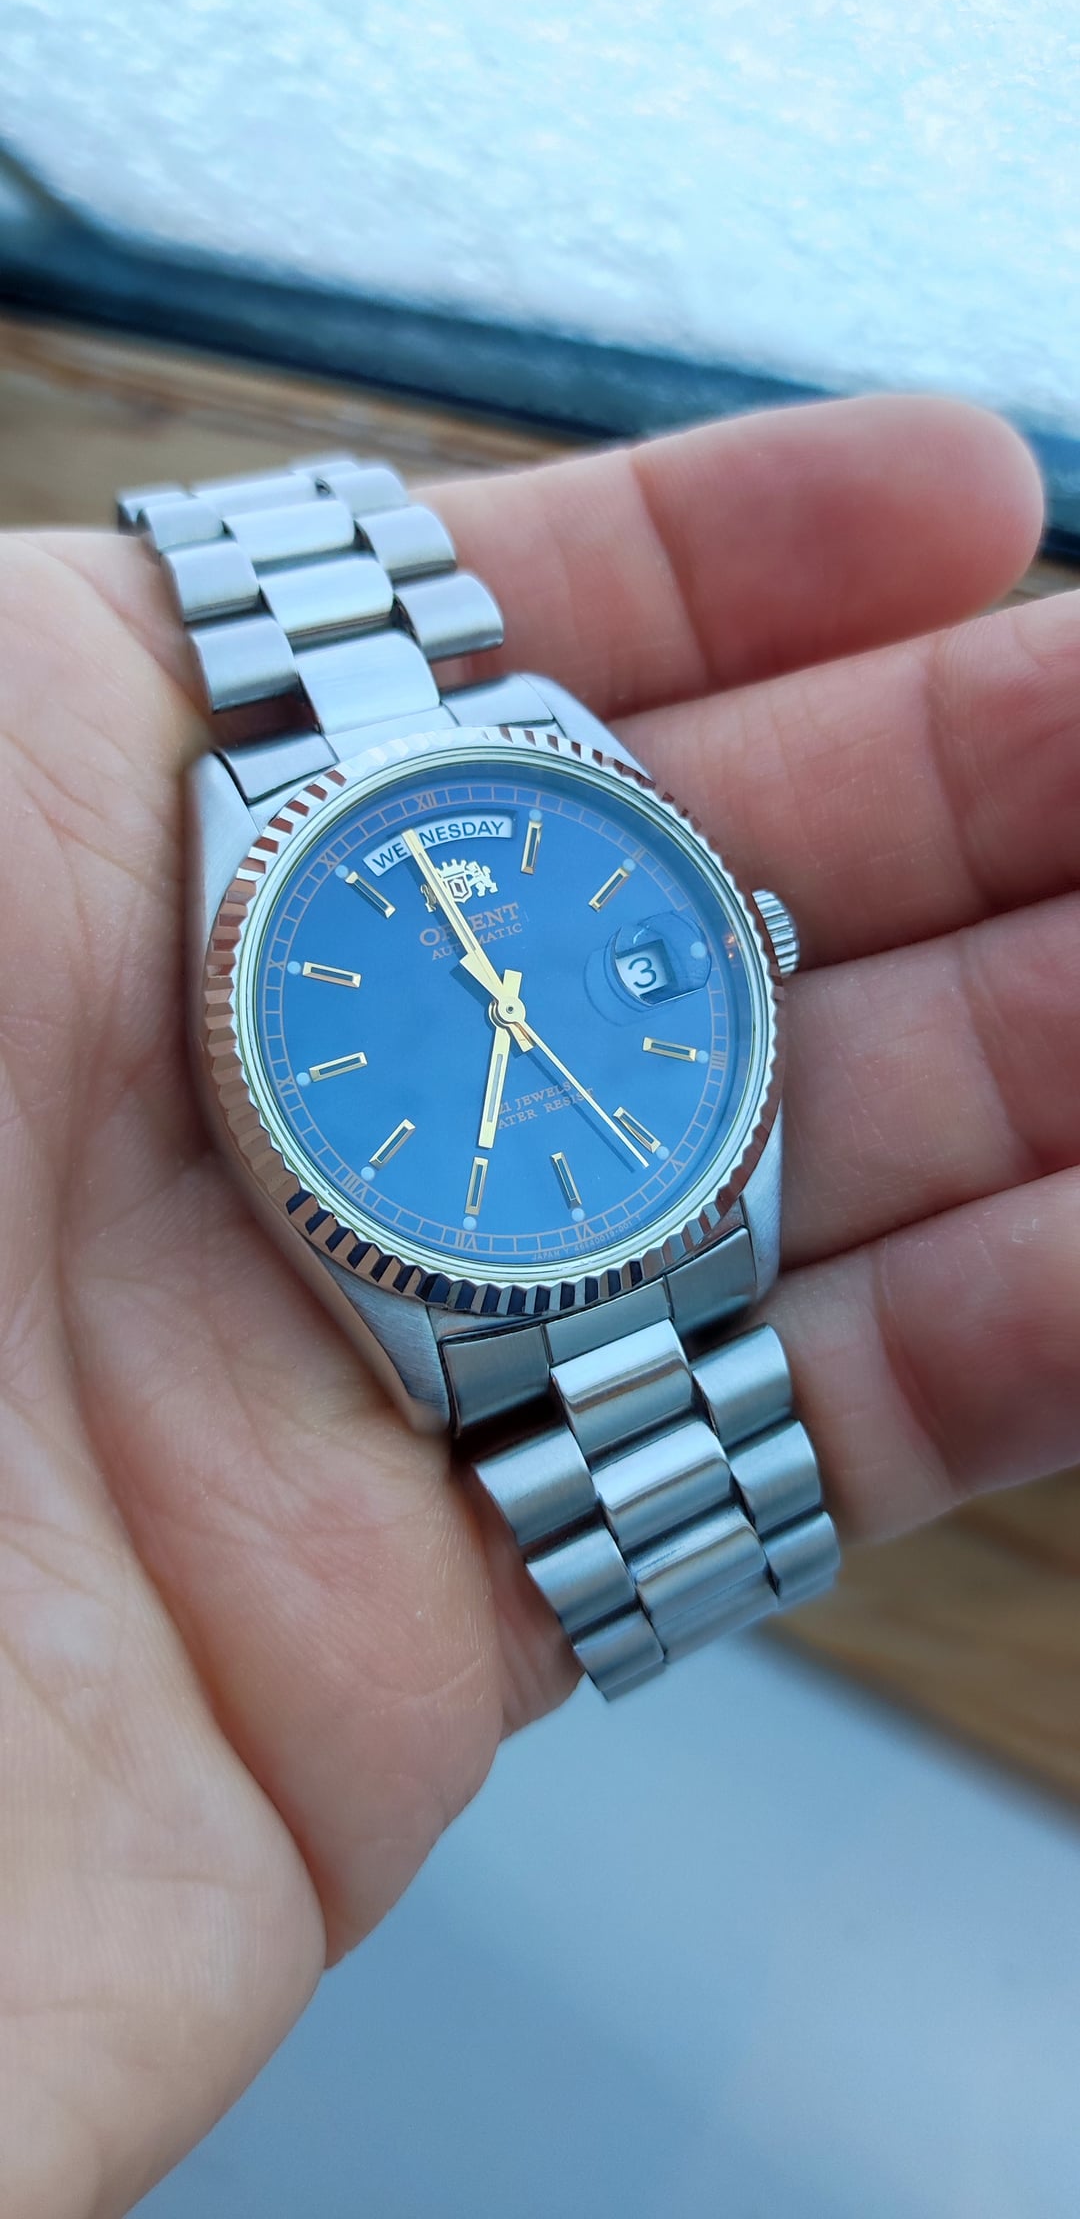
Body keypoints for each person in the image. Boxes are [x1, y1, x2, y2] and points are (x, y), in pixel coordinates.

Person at [1, 391, 1072, 2218]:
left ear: (752, 934)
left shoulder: (563, 784)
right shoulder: (257, 890)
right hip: (480, 1243)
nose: (509, 1008)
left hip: (657, 1191)